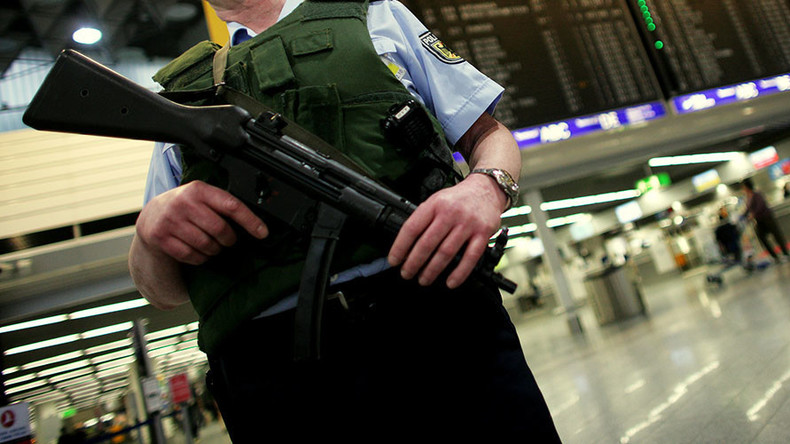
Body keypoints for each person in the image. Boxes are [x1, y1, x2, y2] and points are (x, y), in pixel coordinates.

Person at [129, 0, 561, 439]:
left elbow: (487, 134)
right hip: (277, 378)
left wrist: (485, 188)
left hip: (437, 324)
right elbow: (161, 292)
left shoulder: (377, 16)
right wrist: (148, 234)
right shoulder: (185, 95)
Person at [741, 178, 789, 262]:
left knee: (776, 235)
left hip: (767, 217)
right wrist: (742, 216)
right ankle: (774, 257)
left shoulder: (757, 194)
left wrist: (753, 214)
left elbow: (760, 205)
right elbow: (748, 209)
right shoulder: (748, 197)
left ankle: (785, 253)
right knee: (762, 237)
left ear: (747, 186)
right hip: (759, 221)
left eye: (744, 187)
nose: (743, 189)